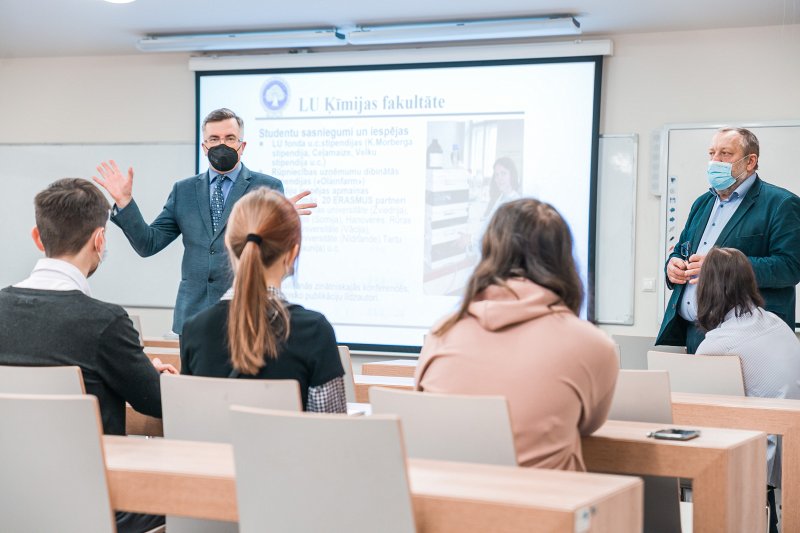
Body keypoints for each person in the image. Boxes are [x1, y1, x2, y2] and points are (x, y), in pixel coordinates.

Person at [0, 178, 176, 533]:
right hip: (97, 508)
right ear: (100, 240)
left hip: (10, 499)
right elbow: (156, 403)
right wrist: (149, 373)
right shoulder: (104, 322)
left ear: (38, 237)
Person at [416, 198, 618, 471]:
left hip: (447, 505)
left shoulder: (442, 331)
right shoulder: (593, 344)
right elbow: (587, 424)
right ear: (564, 259)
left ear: (490, 251)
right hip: (545, 509)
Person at [93, 108, 315, 335]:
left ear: (242, 146)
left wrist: (280, 221)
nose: (222, 145)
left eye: (230, 138)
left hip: (245, 316)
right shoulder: (184, 190)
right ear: (204, 146)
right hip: (192, 317)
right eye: (214, 139)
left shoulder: (266, 187)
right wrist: (125, 202)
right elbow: (147, 244)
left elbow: (269, 251)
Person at [180, 188, 346, 413]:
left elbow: (193, 422)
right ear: (292, 253)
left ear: (228, 246)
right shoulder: (314, 331)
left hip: (216, 450)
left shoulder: (195, 329)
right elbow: (331, 435)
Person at [656, 127, 800, 353]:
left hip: (751, 339)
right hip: (697, 333)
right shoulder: (702, 203)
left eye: (725, 154)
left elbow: (790, 268)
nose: (715, 161)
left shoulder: (781, 204)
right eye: (712, 153)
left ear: (750, 161)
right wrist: (672, 266)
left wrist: (722, 267)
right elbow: (682, 250)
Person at [695, 247, 800, 533]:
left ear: (707, 288)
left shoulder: (718, 345)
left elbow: (696, 417)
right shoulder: (774, 322)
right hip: (789, 449)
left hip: (763, 460)